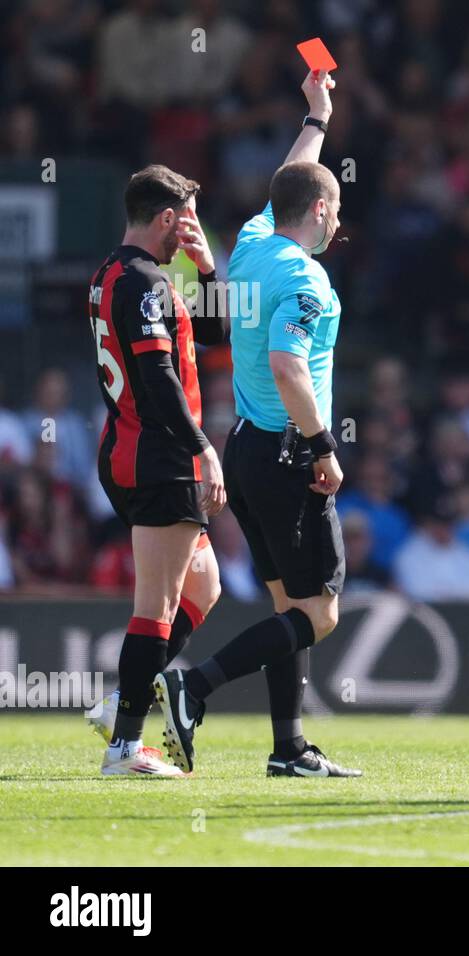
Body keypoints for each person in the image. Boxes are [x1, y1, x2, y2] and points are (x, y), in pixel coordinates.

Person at [154, 70, 359, 779]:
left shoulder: (249, 243)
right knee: (322, 611)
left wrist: (318, 117)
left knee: (285, 605)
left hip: (243, 449)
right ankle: (194, 684)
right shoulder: (307, 281)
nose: (338, 221)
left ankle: (289, 748)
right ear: (323, 210)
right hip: (287, 454)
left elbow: (287, 182)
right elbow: (287, 366)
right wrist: (323, 446)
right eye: (335, 209)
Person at [86, 164, 226, 776]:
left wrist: (208, 270)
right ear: (167, 217)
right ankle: (125, 745)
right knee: (158, 604)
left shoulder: (113, 274)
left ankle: (125, 697)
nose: (187, 233)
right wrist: (203, 447)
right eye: (185, 222)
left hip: (132, 450)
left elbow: (218, 333)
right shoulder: (144, 283)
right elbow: (158, 378)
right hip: (159, 458)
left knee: (205, 586)